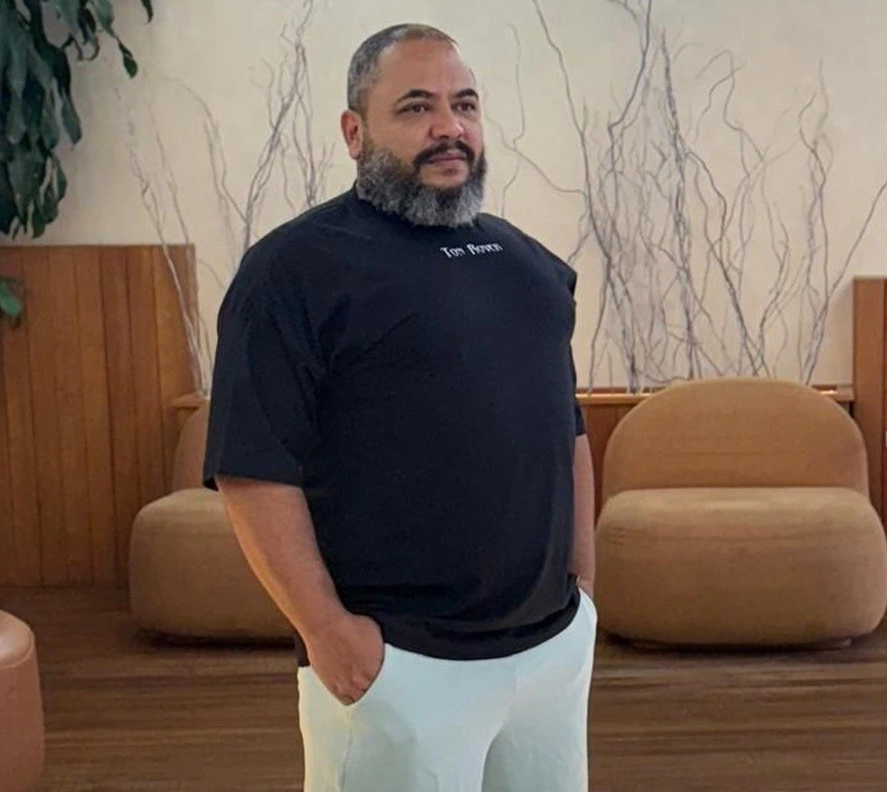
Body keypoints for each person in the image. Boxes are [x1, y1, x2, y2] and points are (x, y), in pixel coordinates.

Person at [204, 22, 596, 792]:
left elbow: (566, 427)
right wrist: (328, 632)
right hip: (400, 665)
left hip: (551, 653)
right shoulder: (291, 272)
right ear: (355, 133)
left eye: (464, 105)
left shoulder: (530, 266)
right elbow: (251, 470)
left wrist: (582, 587)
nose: (449, 127)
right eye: (417, 107)